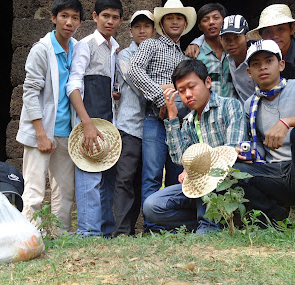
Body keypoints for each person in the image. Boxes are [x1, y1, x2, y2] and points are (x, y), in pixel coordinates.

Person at [143, 59, 246, 234]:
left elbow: (232, 151)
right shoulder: (190, 121)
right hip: (198, 188)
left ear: (207, 82)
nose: (187, 94)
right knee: (152, 206)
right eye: (181, 91)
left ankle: (209, 226)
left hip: (226, 184)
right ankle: (208, 222)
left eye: (192, 87)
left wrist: (196, 168)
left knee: (205, 174)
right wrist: (173, 117)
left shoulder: (230, 106)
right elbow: (179, 159)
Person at [234, 39, 295, 222]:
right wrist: (246, 153)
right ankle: (281, 218)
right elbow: (256, 144)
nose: (263, 67)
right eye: (256, 64)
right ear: (249, 73)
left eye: (269, 61)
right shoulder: (250, 104)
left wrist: (287, 122)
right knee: (232, 171)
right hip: (274, 173)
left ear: (281, 65)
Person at [128, 0, 197, 233]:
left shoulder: (185, 55)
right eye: (169, 18)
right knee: (152, 174)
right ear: (161, 23)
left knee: (178, 174)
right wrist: (161, 98)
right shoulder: (151, 45)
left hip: (180, 123)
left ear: (185, 24)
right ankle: (151, 227)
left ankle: (172, 225)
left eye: (179, 18)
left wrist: (174, 97)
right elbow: (134, 69)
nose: (175, 21)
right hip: (155, 119)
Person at [16, 0, 83, 234]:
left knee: (64, 191)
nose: (69, 22)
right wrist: (40, 134)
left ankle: (59, 236)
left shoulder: (77, 48)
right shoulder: (41, 49)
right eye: (64, 16)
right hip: (41, 131)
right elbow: (30, 92)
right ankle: (30, 238)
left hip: (67, 131)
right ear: (53, 18)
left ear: (80, 22)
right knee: (34, 190)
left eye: (74, 18)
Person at [66, 0, 123, 237]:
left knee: (107, 181)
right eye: (105, 16)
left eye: (115, 17)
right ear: (95, 16)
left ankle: (106, 232)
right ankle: (88, 233)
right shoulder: (85, 45)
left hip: (108, 124)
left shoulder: (115, 48)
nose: (110, 21)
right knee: (89, 180)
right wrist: (86, 123)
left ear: (121, 21)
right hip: (89, 122)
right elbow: (73, 85)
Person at [113, 10, 156, 237]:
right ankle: (122, 232)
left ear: (154, 30)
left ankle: (141, 229)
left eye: (147, 27)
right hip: (129, 126)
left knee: (144, 179)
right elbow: (140, 85)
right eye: (138, 27)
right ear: (130, 31)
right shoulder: (124, 56)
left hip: (152, 127)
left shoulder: (157, 53)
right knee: (125, 179)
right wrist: (165, 88)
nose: (142, 31)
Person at [246, 4, 295, 87]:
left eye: (280, 29)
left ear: (291, 29)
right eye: (268, 31)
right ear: (261, 36)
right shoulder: (259, 60)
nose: (275, 36)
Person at [185, 3, 237, 99]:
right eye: (206, 20)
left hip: (234, 110)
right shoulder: (194, 55)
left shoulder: (234, 51)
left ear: (224, 21)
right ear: (200, 26)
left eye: (216, 18)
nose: (211, 22)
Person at [219, 15, 256, 105]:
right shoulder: (228, 59)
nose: (231, 43)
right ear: (220, 40)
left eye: (236, 37)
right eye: (227, 39)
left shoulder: (256, 59)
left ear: (247, 37)